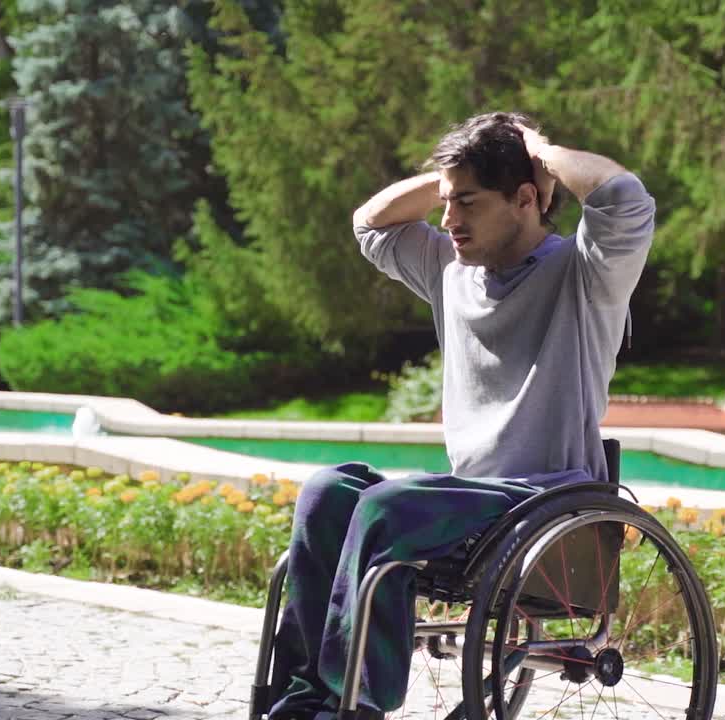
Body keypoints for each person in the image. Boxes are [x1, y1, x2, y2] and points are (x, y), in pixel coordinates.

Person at [266, 112, 655, 720]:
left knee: (388, 506)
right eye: (447, 204)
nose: (448, 221)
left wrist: (539, 150)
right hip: (469, 502)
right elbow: (369, 224)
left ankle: (358, 702)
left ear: (525, 198)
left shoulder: (586, 276)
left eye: (467, 204)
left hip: (545, 499)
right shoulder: (452, 268)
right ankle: (305, 696)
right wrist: (455, 175)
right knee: (327, 490)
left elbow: (623, 198)